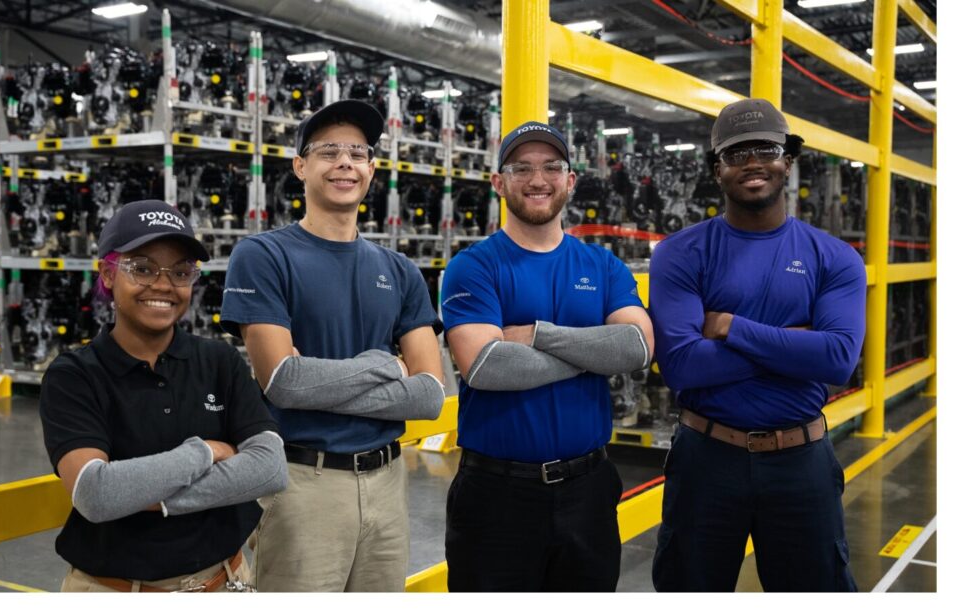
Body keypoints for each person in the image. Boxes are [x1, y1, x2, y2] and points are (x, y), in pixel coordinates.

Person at [220, 99, 446, 592]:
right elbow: (283, 381)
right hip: (301, 486)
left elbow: (429, 394)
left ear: (371, 170)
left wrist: (320, 378)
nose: (345, 162)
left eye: (357, 152)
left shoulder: (401, 271)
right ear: (300, 166)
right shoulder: (263, 256)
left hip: (388, 484)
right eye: (328, 151)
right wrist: (384, 366)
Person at [649, 98, 866, 592]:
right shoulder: (681, 253)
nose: (752, 162)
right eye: (735, 153)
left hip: (801, 463)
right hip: (706, 459)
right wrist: (793, 346)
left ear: (787, 160)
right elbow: (683, 367)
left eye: (765, 149)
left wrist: (731, 326)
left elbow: (837, 360)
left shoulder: (834, 257)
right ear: (717, 169)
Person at [440, 121, 654, 591]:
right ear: (498, 183)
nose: (538, 180)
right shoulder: (472, 267)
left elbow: (635, 348)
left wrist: (536, 333)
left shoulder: (602, 265)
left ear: (570, 180)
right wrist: (593, 352)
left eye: (551, 167)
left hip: (589, 489)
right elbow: (487, 366)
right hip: (497, 496)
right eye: (522, 168)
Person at [39, 199, 287, 592]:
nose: (162, 285)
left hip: (225, 581)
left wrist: (148, 494)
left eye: (181, 271)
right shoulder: (74, 376)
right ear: (107, 274)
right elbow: (96, 492)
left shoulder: (219, 361)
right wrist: (204, 452)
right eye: (142, 268)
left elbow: (270, 468)